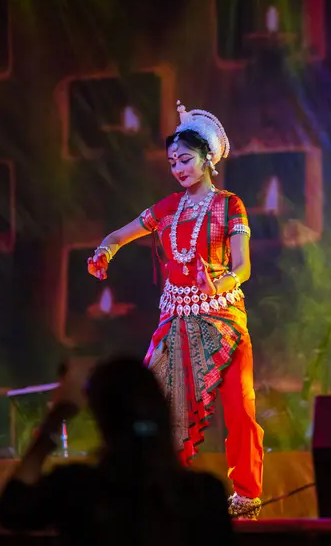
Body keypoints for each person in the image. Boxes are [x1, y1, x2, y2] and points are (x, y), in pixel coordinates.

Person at [87, 101, 264, 519]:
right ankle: (152, 488)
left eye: (185, 159)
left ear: (207, 159)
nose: (178, 168)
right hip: (176, 319)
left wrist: (217, 281)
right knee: (155, 404)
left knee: (239, 406)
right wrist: (104, 250)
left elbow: (244, 266)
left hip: (223, 317)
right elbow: (121, 234)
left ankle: (246, 495)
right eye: (171, 163)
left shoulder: (229, 205)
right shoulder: (168, 208)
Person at [0, 357, 233, 545]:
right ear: (160, 407)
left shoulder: (78, 489)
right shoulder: (205, 494)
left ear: (101, 418)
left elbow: (11, 509)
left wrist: (58, 414)